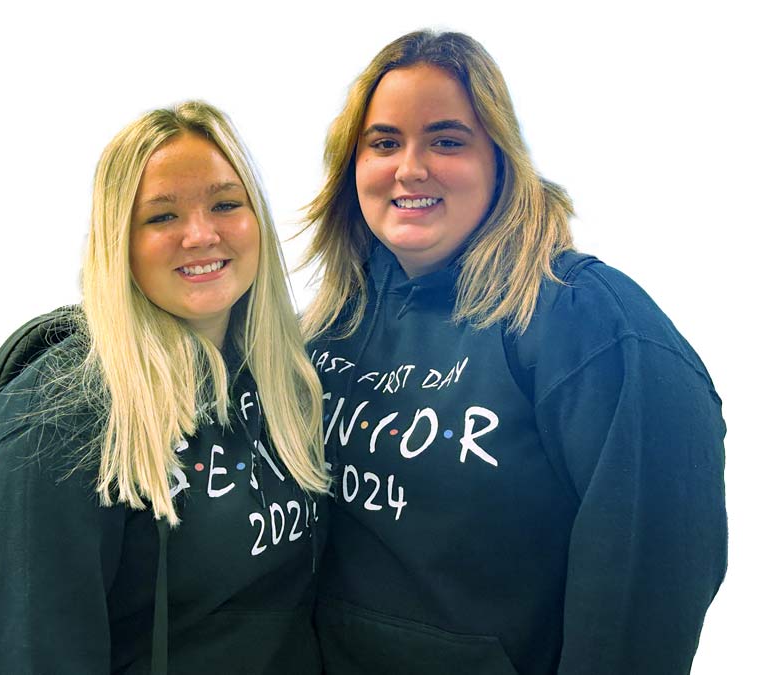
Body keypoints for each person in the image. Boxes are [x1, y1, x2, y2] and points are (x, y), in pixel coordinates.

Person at [301, 30, 727, 675]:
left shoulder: (585, 320)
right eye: (384, 142)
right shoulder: (332, 323)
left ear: (501, 159)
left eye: (447, 140)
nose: (409, 168)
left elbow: (654, 568)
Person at [0, 101, 329, 674]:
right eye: (162, 217)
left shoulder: (277, 380)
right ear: (119, 243)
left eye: (226, 204)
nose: (201, 235)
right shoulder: (57, 424)